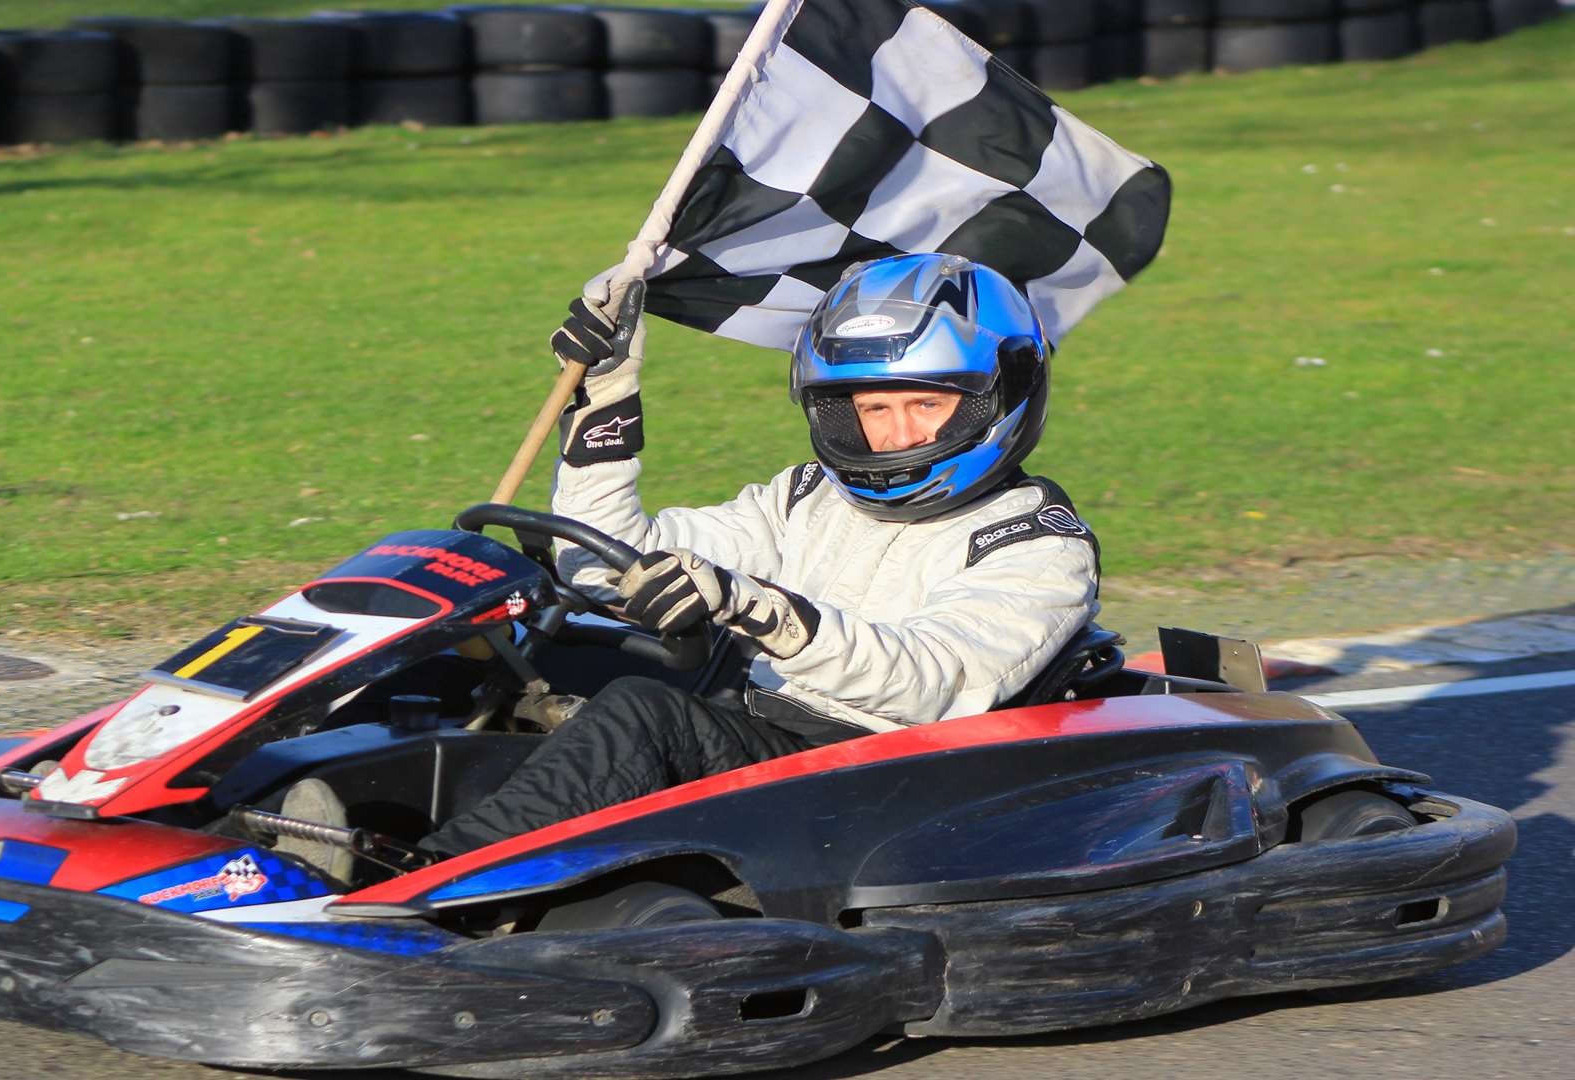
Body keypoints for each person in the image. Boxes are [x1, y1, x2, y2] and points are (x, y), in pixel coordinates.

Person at [399, 253, 1101, 859]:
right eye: (871, 409)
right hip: (764, 729)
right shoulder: (807, 497)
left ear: (998, 398)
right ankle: (348, 807)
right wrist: (602, 402)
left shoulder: (1039, 544)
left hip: (882, 784)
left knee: (647, 716)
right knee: (519, 647)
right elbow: (609, 563)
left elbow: (934, 680)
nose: (893, 436)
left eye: (924, 405)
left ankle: (416, 885)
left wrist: (761, 609)